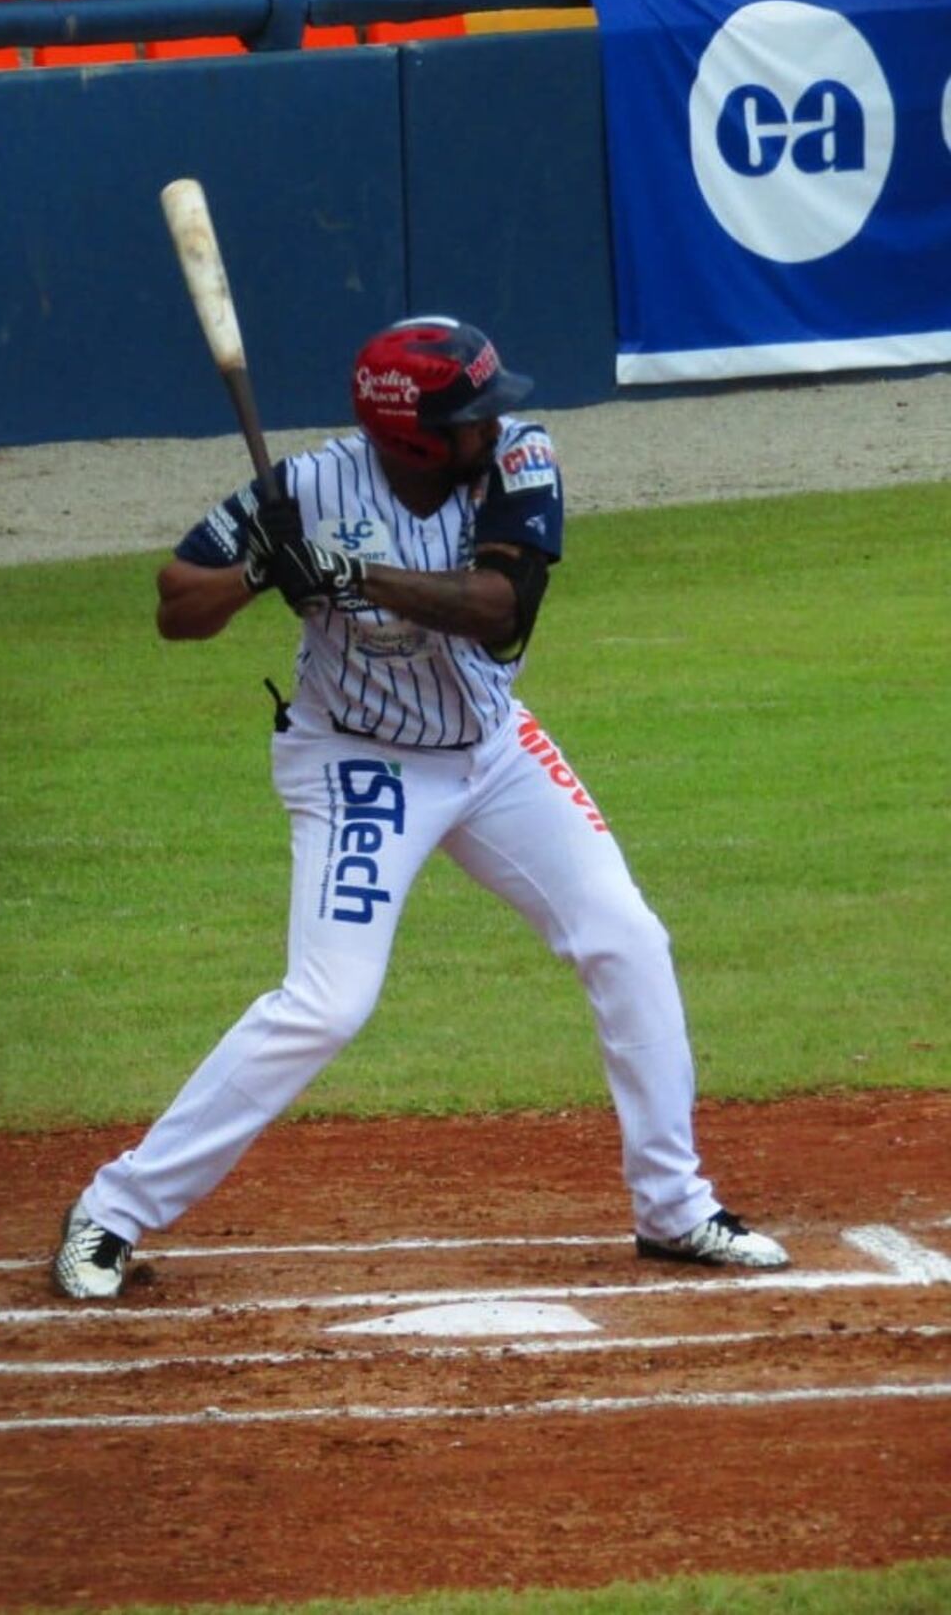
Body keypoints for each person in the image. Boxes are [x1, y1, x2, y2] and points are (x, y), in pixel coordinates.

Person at [52, 315, 789, 1300]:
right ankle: (111, 1210)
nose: (498, 421)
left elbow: (500, 609)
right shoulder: (308, 489)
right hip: (362, 760)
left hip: (493, 749)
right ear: (414, 437)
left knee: (627, 937)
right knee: (328, 1001)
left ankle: (675, 1207)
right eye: (473, 414)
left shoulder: (522, 458)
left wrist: (351, 575)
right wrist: (262, 572)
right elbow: (175, 603)